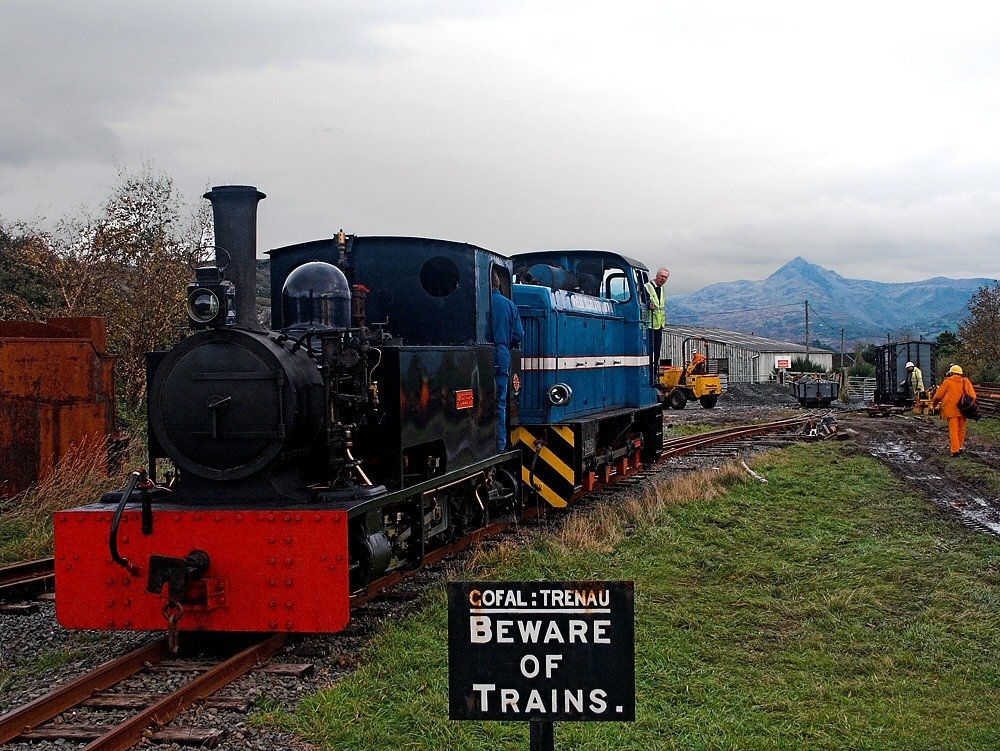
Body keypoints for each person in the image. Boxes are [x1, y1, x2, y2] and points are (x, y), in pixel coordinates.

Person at [491, 271, 523, 453]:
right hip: (501, 351)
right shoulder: (509, 305)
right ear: (498, 284)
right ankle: (501, 444)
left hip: (482, 351)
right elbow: (519, 334)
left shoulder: (482, 303)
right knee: (500, 401)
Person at [930, 364, 977, 456]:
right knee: (962, 429)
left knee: (953, 430)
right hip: (964, 410)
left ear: (951, 373)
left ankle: (955, 450)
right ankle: (960, 447)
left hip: (951, 410)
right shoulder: (965, 381)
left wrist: (934, 404)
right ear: (960, 373)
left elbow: (938, 396)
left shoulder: (948, 382)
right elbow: (973, 396)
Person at [644, 267, 669, 384]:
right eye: (662, 276)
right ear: (657, 275)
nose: (663, 279)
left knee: (657, 353)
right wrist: (648, 304)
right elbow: (642, 301)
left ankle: (654, 376)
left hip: (659, 326)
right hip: (649, 326)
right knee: (649, 353)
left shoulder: (662, 289)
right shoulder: (647, 287)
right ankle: (649, 377)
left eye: (665, 277)